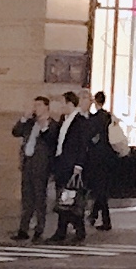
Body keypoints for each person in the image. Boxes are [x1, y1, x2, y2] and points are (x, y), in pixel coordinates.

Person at [10, 95, 57, 241]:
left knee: (39, 198)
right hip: (28, 164)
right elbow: (16, 132)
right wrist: (24, 118)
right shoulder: (30, 123)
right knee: (27, 198)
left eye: (39, 105)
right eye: (34, 105)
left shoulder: (52, 124)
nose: (36, 108)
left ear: (46, 107)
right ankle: (23, 229)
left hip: (41, 166)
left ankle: (39, 229)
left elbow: (52, 141)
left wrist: (44, 128)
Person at [50, 90, 89, 244]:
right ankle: (63, 230)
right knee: (63, 199)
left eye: (62, 103)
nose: (60, 106)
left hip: (71, 165)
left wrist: (79, 165)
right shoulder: (63, 120)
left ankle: (77, 229)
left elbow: (83, 145)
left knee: (69, 199)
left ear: (70, 103)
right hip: (61, 164)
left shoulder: (80, 121)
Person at [82, 90, 119, 233]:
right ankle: (94, 216)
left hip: (96, 159)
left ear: (95, 102)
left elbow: (89, 137)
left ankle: (105, 220)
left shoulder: (94, 119)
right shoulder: (108, 116)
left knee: (99, 190)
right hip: (108, 158)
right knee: (101, 189)